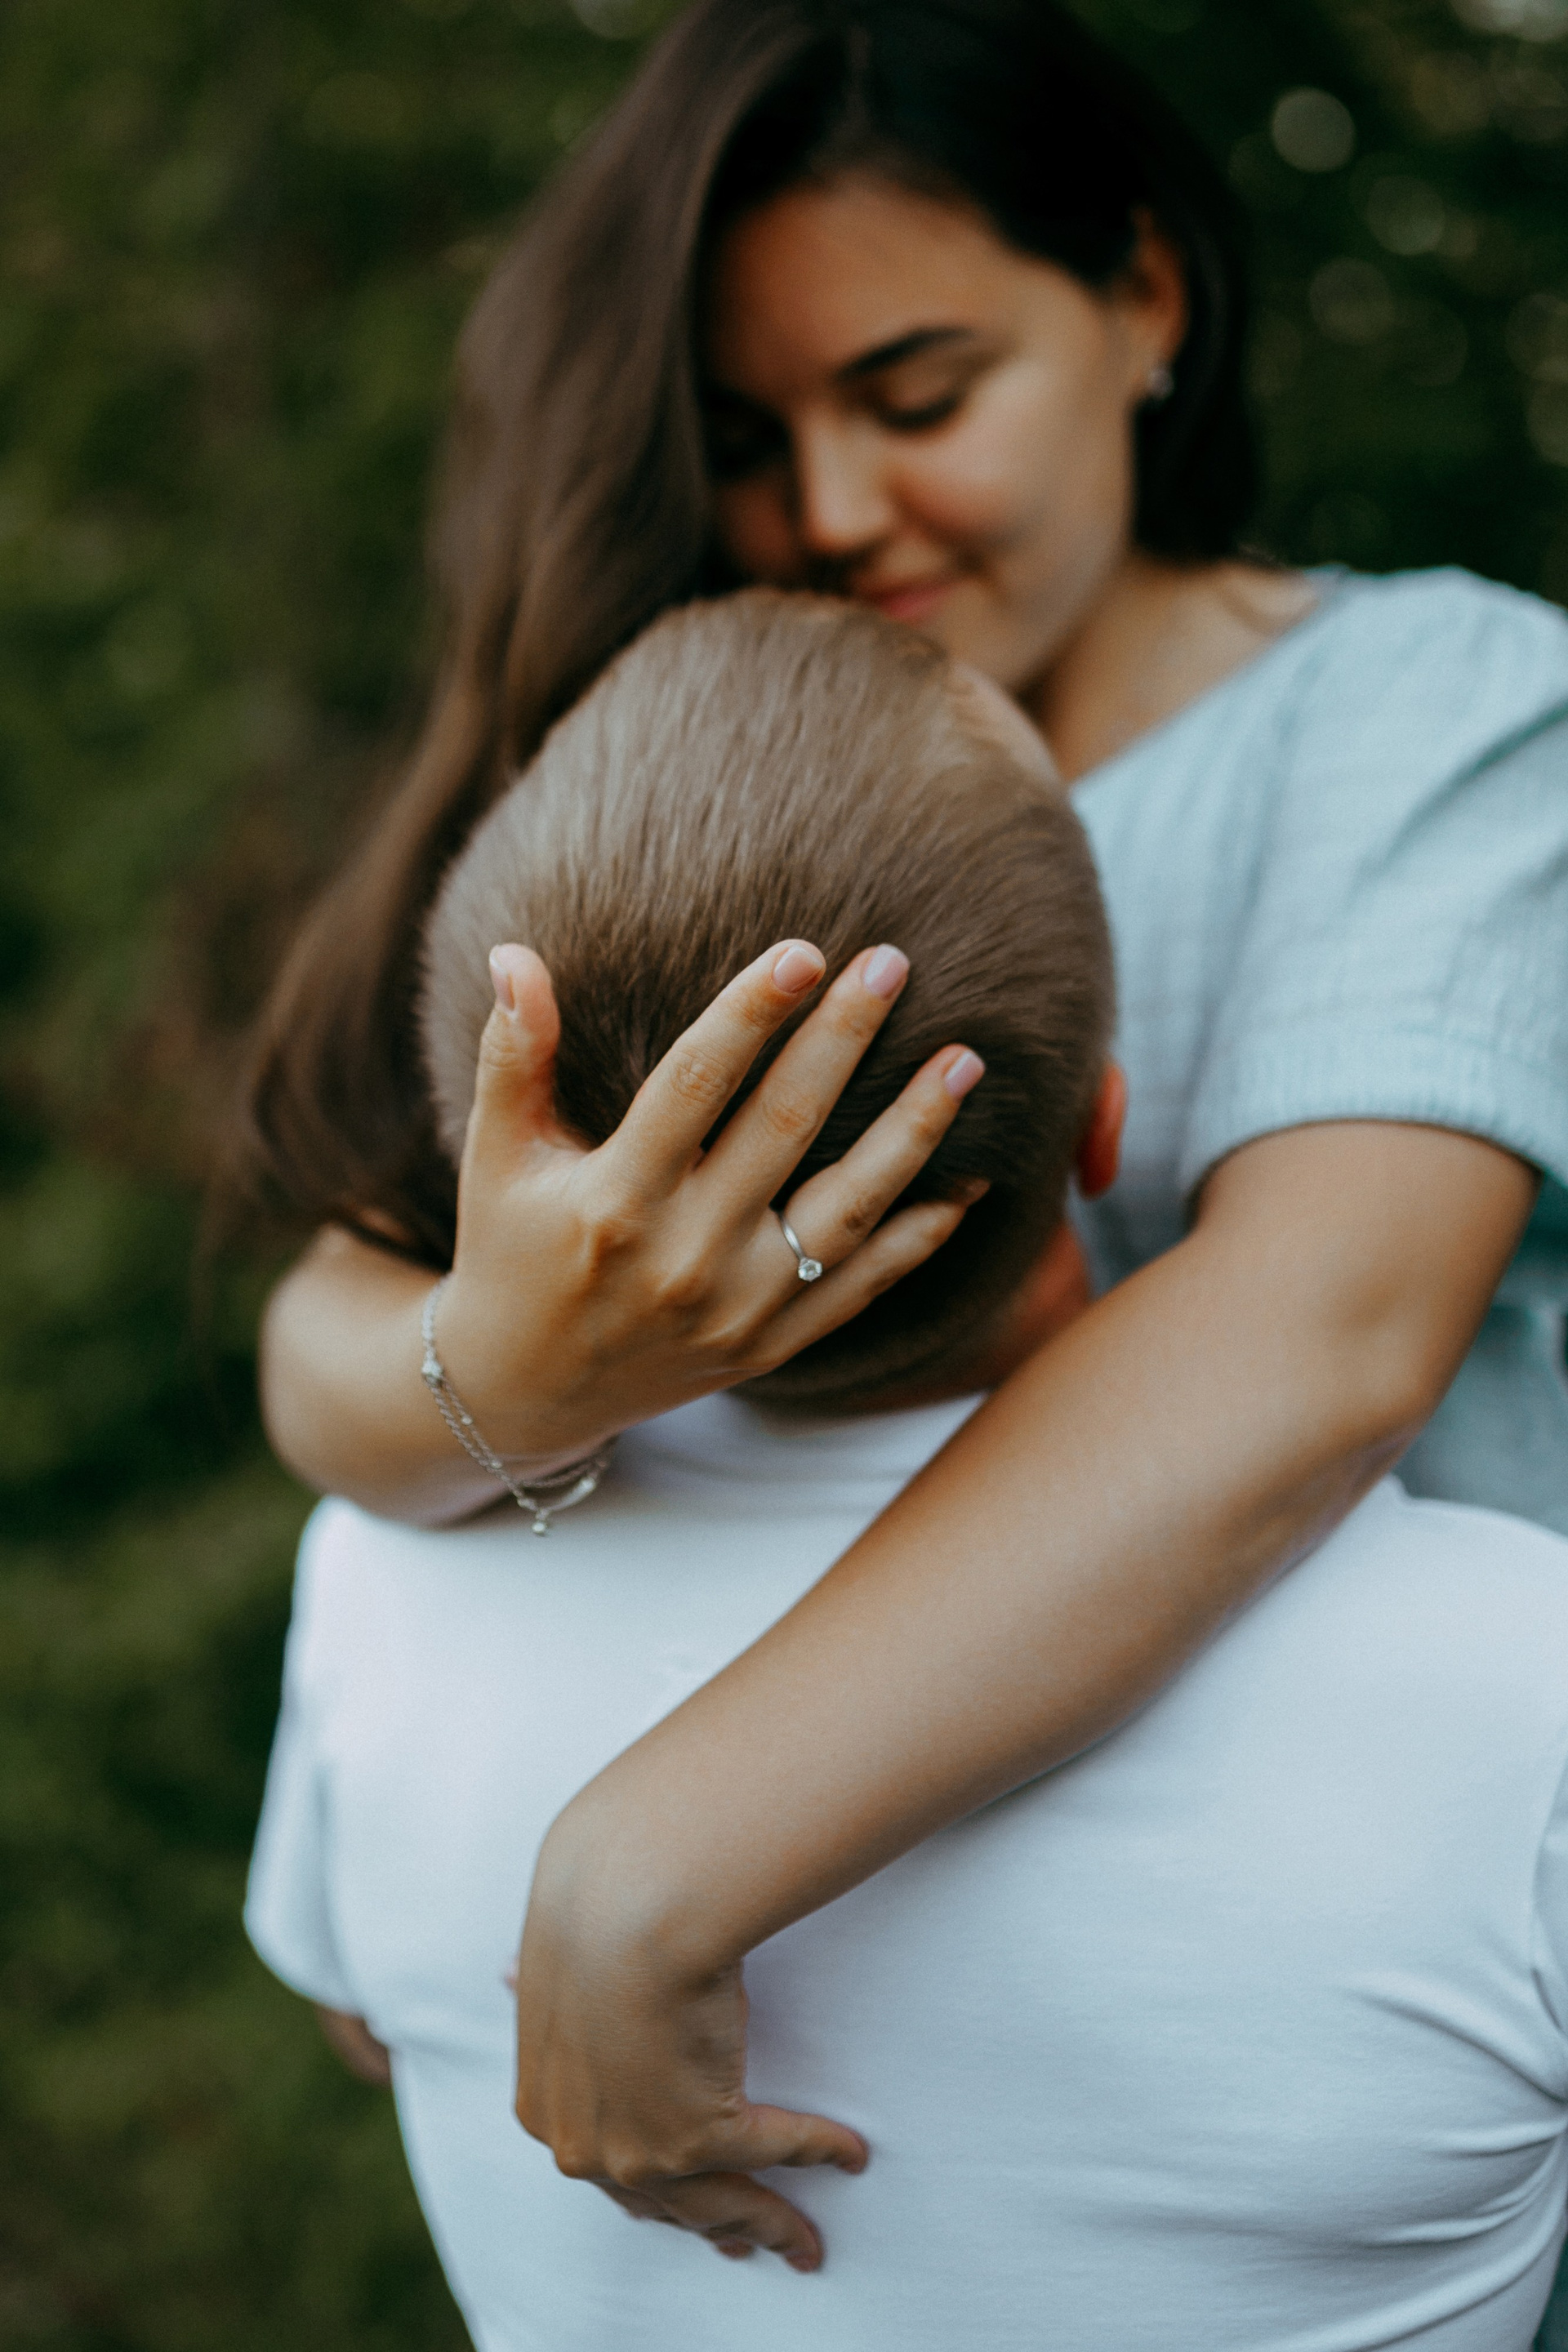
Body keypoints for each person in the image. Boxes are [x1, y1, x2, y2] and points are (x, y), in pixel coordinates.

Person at [231, 0, 1568, 2287]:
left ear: (1142, 297)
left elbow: (1321, 1336)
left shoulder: (1432, 720)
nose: (840, 511)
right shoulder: (688, 743)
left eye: (921, 396)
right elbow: (335, 1320)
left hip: (1371, 1975)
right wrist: (504, 1373)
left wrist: (652, 1856)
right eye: (750, 439)